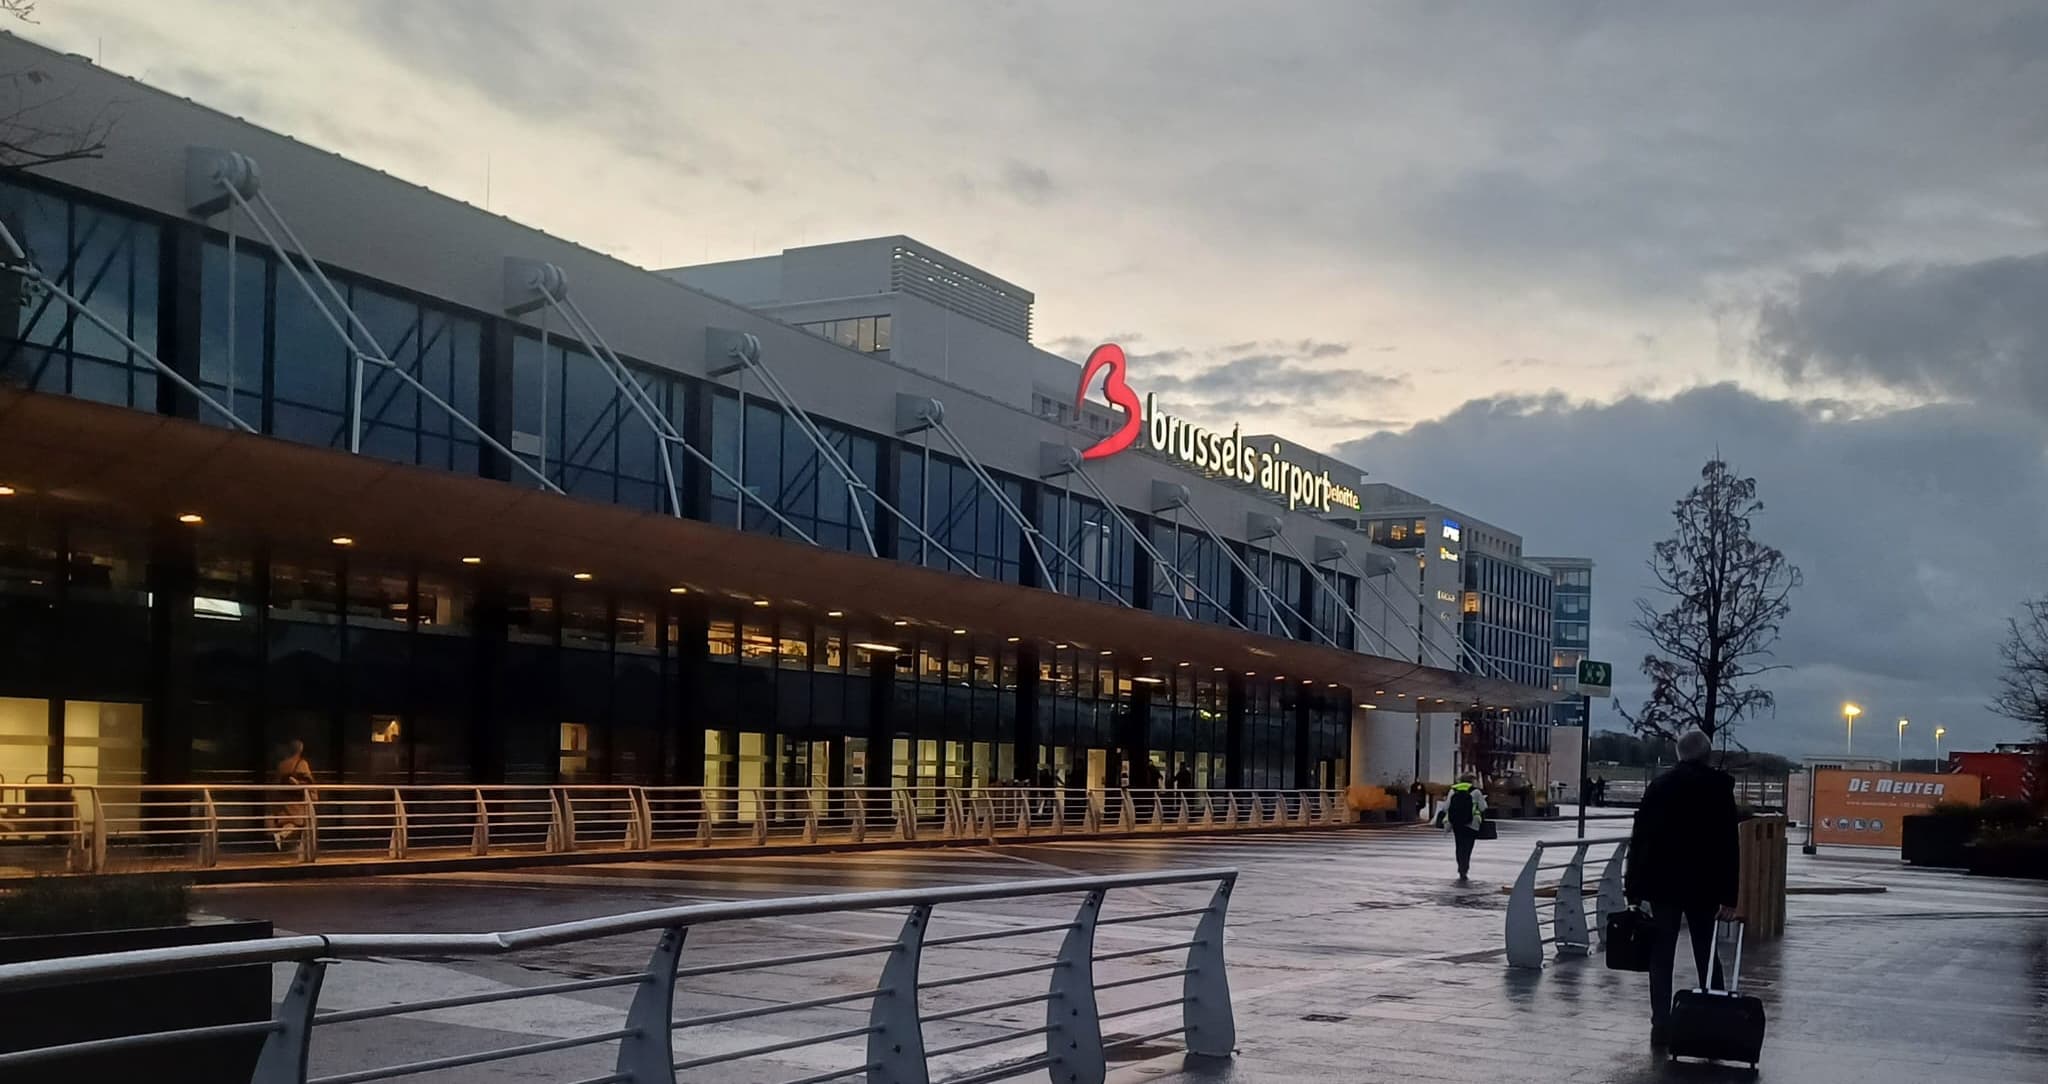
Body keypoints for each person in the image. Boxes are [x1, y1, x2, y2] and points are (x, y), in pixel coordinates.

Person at [1625, 729, 1740, 1045]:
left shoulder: (1660, 787)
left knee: (1661, 955)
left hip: (1664, 884)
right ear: (1708, 754)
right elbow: (1729, 845)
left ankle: (1661, 1021)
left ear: (1678, 755)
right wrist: (1730, 896)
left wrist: (1633, 889)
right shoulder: (1719, 789)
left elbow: (1641, 841)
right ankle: (1715, 1015)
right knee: (1706, 951)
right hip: (1704, 885)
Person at [269, 739, 317, 850]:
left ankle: (290, 845)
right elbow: (308, 781)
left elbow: (277, 782)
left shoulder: (282, 764)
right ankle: (281, 837)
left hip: (283, 799)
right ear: (300, 750)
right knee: (298, 822)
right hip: (297, 799)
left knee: (288, 822)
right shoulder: (302, 763)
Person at [1437, 774, 1486, 881]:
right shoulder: (1476, 792)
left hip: (1457, 823)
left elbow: (1446, 807)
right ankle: (1465, 868)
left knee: (1459, 846)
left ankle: (1460, 868)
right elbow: (1483, 808)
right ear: (1472, 781)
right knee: (1468, 847)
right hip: (1472, 824)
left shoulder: (1453, 791)